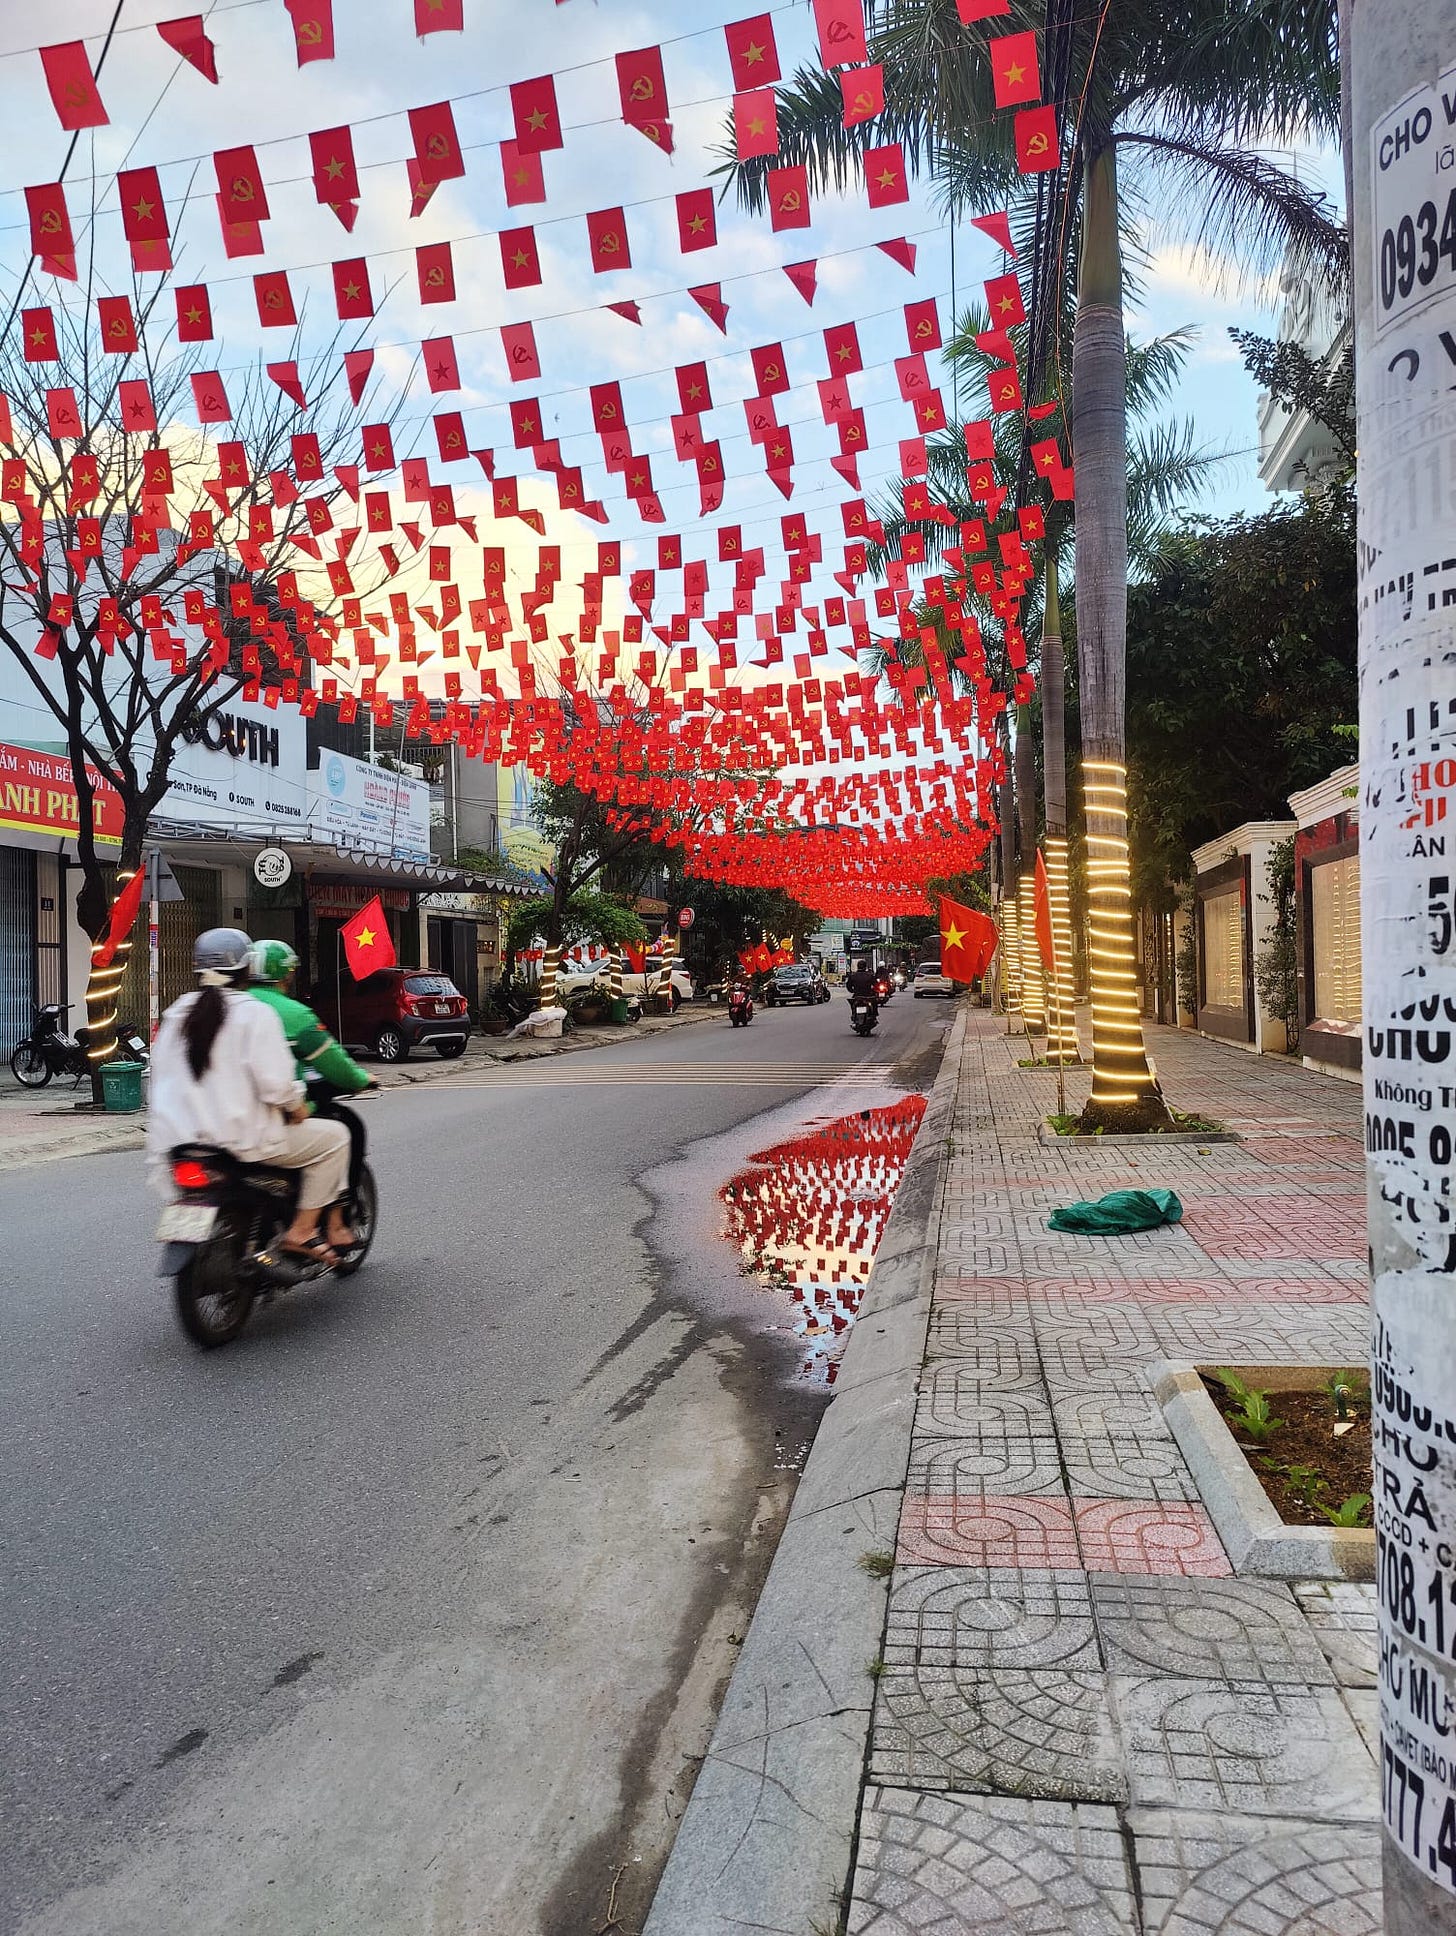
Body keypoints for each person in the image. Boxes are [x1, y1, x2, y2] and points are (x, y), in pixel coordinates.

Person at [147, 928, 352, 1265]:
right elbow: (277, 1085)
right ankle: (302, 1231)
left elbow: (158, 1078)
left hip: (179, 1142)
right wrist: (297, 1107)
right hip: (242, 1141)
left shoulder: (176, 1013)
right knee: (336, 1138)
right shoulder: (255, 1014)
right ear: (247, 969)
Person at [247, 939, 374, 1214]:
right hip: (266, 1122)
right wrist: (361, 1079)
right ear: (287, 973)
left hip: (211, 1125)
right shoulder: (293, 1014)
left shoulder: (220, 1008)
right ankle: (324, 1222)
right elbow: (335, 1064)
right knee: (341, 1131)